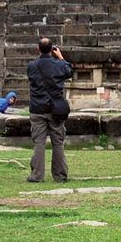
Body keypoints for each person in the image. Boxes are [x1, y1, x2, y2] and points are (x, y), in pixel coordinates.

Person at [25, 38, 73, 183]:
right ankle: (60, 175)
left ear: (38, 49)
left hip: (38, 108)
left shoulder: (32, 66)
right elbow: (69, 71)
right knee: (57, 142)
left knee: (39, 143)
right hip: (55, 109)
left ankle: (37, 175)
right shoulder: (59, 65)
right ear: (52, 49)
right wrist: (60, 57)